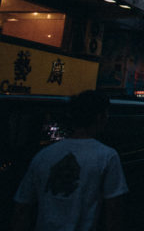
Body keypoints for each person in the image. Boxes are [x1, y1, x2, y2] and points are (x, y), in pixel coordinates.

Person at [12, 90, 129, 231]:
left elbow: (22, 207)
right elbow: (113, 210)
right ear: (100, 117)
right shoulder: (107, 156)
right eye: (106, 114)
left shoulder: (44, 156)